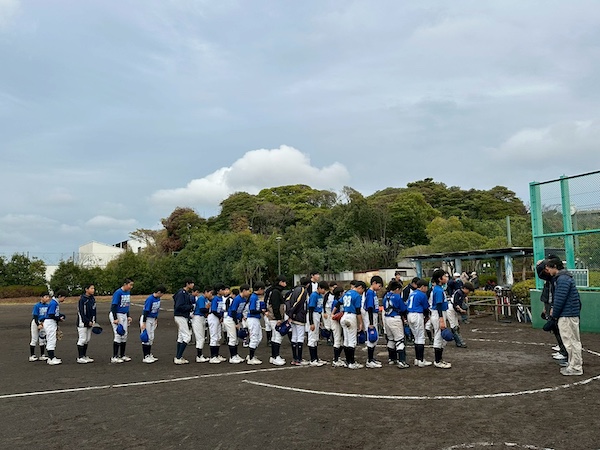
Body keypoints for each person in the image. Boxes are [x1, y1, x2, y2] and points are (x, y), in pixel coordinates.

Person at [546, 258, 583, 376]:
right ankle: (573, 365)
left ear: (554, 267)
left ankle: (575, 367)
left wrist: (554, 316)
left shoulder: (562, 279)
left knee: (571, 342)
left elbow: (560, 299)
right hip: (570, 313)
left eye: (548, 268)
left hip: (567, 315)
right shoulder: (565, 278)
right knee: (572, 341)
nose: (548, 271)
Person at [536, 258, 568, 363]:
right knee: (555, 328)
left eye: (548, 268)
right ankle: (562, 349)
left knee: (559, 328)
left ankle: (565, 352)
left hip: (559, 308)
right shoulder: (551, 279)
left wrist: (553, 308)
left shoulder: (559, 278)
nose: (547, 271)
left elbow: (559, 297)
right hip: (551, 304)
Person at [383, 280, 409, 368]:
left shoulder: (386, 296)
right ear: (397, 289)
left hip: (387, 318)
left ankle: (392, 358)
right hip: (395, 319)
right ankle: (401, 361)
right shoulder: (396, 297)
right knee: (400, 340)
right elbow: (403, 308)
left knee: (390, 339)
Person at [340, 280, 366, 369]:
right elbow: (358, 310)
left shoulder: (347, 293)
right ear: (360, 288)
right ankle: (351, 362)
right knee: (352, 340)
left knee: (346, 340)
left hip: (344, 316)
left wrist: (332, 313)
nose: (362, 293)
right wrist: (361, 323)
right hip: (351, 316)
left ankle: (348, 361)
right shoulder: (357, 295)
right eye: (362, 290)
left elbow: (338, 303)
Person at [406, 280, 432, 367]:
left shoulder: (412, 293)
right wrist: (427, 317)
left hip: (410, 314)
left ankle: (417, 359)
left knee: (416, 337)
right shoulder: (422, 294)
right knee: (420, 337)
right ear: (423, 287)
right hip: (417, 314)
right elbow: (426, 307)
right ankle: (421, 360)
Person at [430, 269, 452, 369]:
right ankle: (437, 361)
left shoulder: (438, 288)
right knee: (439, 337)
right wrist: (441, 319)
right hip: (438, 313)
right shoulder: (438, 290)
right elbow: (438, 305)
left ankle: (439, 359)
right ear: (439, 279)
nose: (446, 278)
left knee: (441, 338)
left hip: (440, 313)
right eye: (444, 276)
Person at [287, 277, 310, 366]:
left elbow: (288, 300)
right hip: (299, 316)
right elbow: (298, 303)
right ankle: (299, 359)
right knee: (300, 337)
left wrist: (289, 313)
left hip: (293, 316)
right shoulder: (303, 291)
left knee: (294, 336)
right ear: (308, 284)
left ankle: (295, 358)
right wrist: (292, 313)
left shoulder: (294, 290)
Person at [109, 278, 134, 364]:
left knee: (124, 335)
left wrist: (128, 316)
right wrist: (115, 318)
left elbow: (126, 305)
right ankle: (114, 356)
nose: (131, 287)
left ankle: (122, 355)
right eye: (130, 285)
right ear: (125, 284)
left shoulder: (128, 292)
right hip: (117, 314)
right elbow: (114, 306)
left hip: (124, 314)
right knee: (118, 334)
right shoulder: (118, 292)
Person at [265, 275, 287, 366]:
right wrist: (278, 318)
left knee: (275, 337)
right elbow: (275, 306)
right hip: (274, 318)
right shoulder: (276, 292)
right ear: (280, 282)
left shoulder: (274, 291)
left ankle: (274, 356)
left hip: (273, 318)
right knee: (277, 336)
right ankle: (276, 357)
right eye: (284, 282)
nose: (285, 284)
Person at [140, 285, 166, 363]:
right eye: (162, 293)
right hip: (147, 318)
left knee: (151, 337)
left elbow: (156, 310)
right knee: (146, 337)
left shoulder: (158, 299)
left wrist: (156, 318)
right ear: (159, 292)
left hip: (152, 319)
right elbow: (146, 311)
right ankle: (145, 356)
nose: (162, 295)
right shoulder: (150, 299)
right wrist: (144, 323)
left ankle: (149, 354)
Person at [362, 276, 384, 368]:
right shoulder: (370, 293)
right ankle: (369, 360)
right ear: (374, 283)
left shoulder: (373, 292)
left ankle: (371, 359)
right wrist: (371, 322)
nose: (379, 288)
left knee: (375, 338)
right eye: (379, 285)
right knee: (371, 337)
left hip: (373, 315)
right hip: (370, 316)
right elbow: (370, 307)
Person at [307, 280, 329, 366]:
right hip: (314, 315)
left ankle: (316, 358)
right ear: (319, 288)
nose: (324, 292)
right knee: (312, 337)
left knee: (316, 337)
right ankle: (313, 359)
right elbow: (311, 309)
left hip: (318, 315)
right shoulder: (314, 295)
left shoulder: (320, 295)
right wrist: (311, 322)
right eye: (323, 289)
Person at [173, 278, 195, 364]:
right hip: (180, 316)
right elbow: (178, 306)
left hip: (182, 316)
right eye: (191, 283)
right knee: (187, 336)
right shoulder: (181, 293)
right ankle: (178, 357)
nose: (193, 285)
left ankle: (178, 357)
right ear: (187, 284)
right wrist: (190, 307)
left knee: (181, 337)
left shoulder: (185, 293)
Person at [44, 289, 68, 365]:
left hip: (50, 322)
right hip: (50, 322)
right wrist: (59, 318)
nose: (64, 299)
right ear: (60, 296)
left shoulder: (54, 302)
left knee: (51, 339)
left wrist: (61, 315)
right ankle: (51, 358)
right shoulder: (54, 303)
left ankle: (51, 357)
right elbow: (51, 314)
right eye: (63, 297)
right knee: (51, 340)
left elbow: (54, 313)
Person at [447, 282, 473, 348]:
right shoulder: (458, 293)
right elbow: (455, 304)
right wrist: (461, 310)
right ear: (465, 288)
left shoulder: (462, 293)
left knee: (457, 326)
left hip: (453, 309)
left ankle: (458, 342)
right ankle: (459, 342)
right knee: (454, 326)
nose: (469, 292)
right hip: (450, 309)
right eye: (469, 290)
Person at [76, 283, 97, 364]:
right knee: (82, 339)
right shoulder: (82, 300)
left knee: (87, 339)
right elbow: (81, 312)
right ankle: (80, 357)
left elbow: (94, 310)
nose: (93, 290)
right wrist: (87, 321)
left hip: (90, 322)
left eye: (93, 288)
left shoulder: (92, 299)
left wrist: (94, 320)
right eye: (91, 288)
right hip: (82, 323)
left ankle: (84, 356)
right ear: (86, 289)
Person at [192, 286, 213, 363]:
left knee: (201, 337)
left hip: (202, 318)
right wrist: (207, 308)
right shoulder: (201, 298)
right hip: (198, 318)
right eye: (210, 293)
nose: (211, 295)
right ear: (206, 292)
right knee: (200, 338)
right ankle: (199, 356)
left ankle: (200, 355)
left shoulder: (205, 299)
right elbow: (202, 309)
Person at [246, 282, 266, 365]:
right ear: (260, 289)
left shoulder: (255, 297)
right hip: (252, 319)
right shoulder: (253, 297)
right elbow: (252, 310)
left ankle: (251, 354)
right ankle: (251, 358)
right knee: (254, 337)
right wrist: (261, 311)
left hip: (255, 319)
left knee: (259, 337)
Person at [207, 283, 228, 363]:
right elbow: (214, 310)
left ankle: (216, 355)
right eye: (223, 290)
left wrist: (221, 317)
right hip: (213, 317)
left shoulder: (221, 298)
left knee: (218, 336)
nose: (224, 291)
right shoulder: (215, 298)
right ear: (219, 291)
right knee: (214, 336)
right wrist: (220, 317)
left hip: (218, 317)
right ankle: (213, 356)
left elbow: (221, 309)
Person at [29, 292, 50, 362]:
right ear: (41, 297)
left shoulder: (48, 305)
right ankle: (32, 355)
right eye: (46, 297)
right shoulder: (37, 305)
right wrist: (38, 324)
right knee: (34, 339)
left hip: (43, 323)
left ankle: (42, 355)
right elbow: (35, 316)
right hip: (36, 322)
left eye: (48, 297)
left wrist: (43, 323)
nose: (47, 298)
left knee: (42, 339)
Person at [330, 286, 346, 367]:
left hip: (339, 321)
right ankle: (335, 360)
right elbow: (335, 316)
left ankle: (337, 357)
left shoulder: (338, 301)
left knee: (342, 341)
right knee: (337, 340)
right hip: (335, 321)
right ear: (340, 293)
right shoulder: (336, 302)